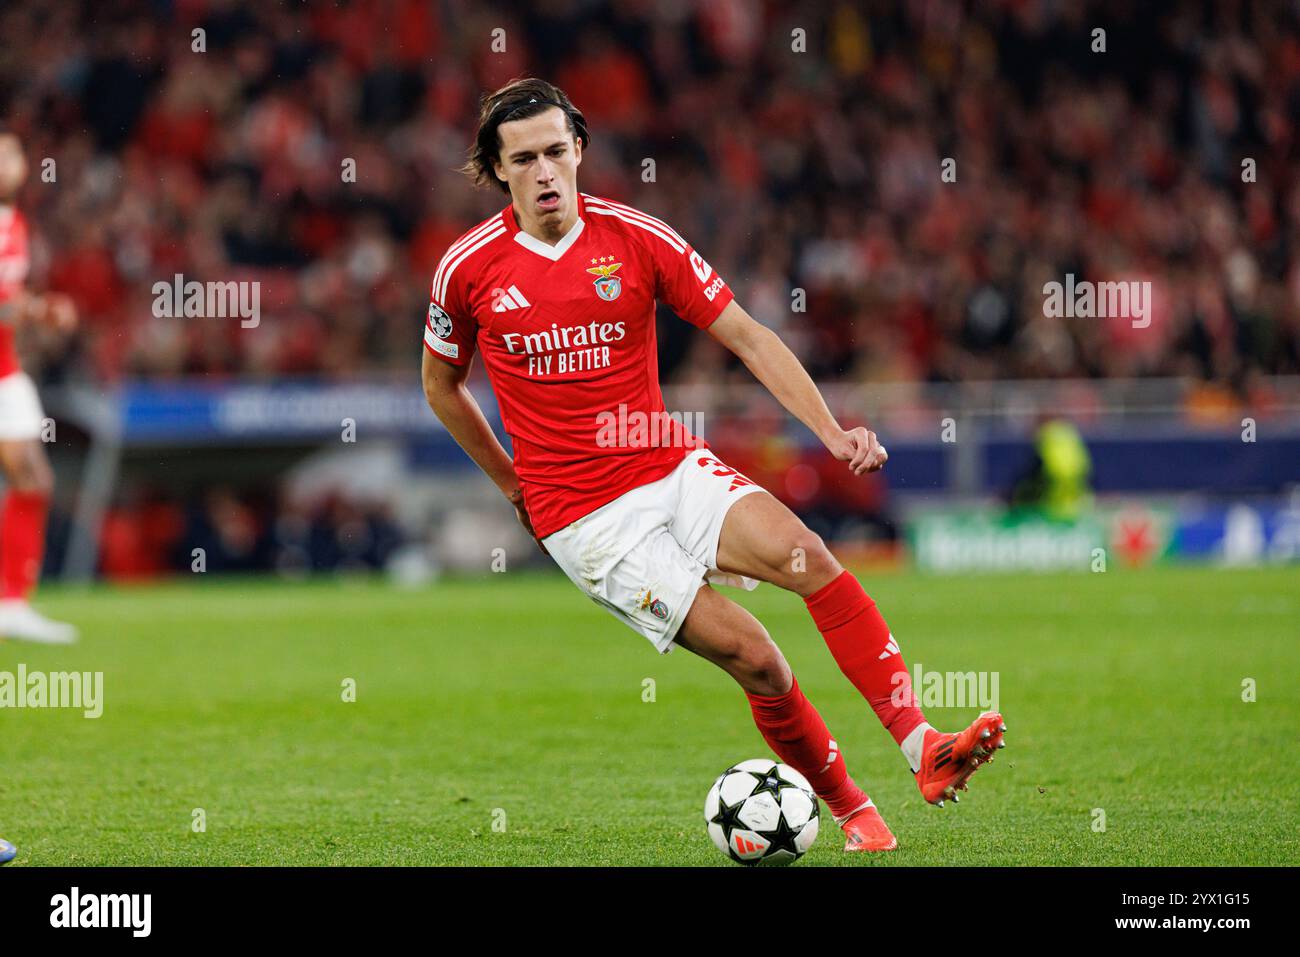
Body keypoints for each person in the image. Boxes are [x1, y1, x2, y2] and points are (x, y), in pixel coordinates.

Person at [421, 78, 1004, 853]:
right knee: (758, 658)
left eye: (557, 151)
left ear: (580, 150)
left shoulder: (637, 238)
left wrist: (829, 431)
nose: (545, 171)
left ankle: (922, 747)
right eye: (523, 159)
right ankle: (850, 804)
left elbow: (749, 335)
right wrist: (511, 482)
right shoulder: (469, 269)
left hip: (669, 466)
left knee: (814, 558)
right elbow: (442, 386)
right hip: (588, 519)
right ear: (499, 171)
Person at [0, 130, 77, 644]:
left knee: (33, 477)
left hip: (5, 371)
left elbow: (9, 301)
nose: (12, 162)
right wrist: (41, 310)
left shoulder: (16, 224)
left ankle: (11, 603)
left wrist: (37, 312)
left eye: (14, 153)